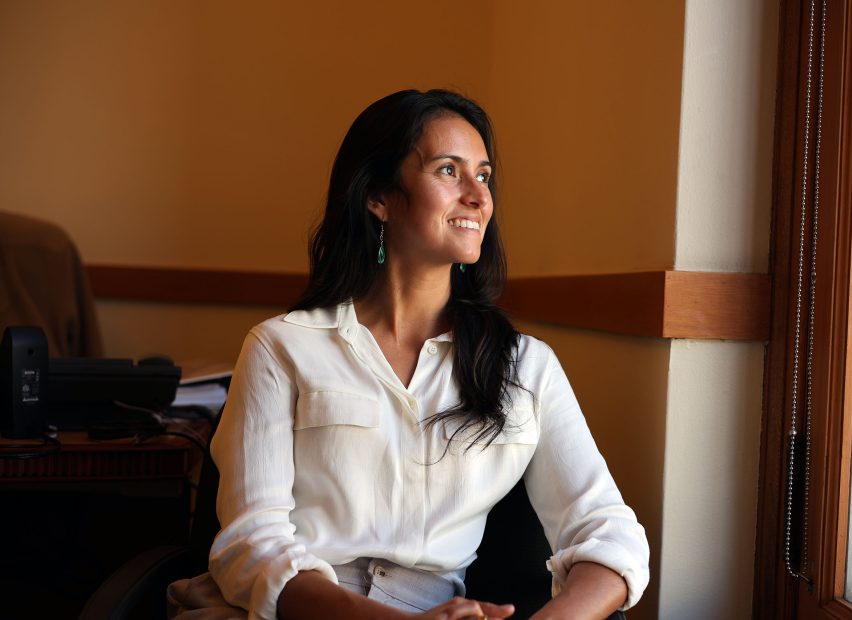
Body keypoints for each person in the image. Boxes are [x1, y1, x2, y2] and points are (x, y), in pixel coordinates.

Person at [170, 89, 649, 619]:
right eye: (449, 170)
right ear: (379, 196)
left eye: (483, 176)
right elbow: (251, 548)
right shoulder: (281, 347)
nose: (478, 196)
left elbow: (612, 535)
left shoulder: (527, 367)